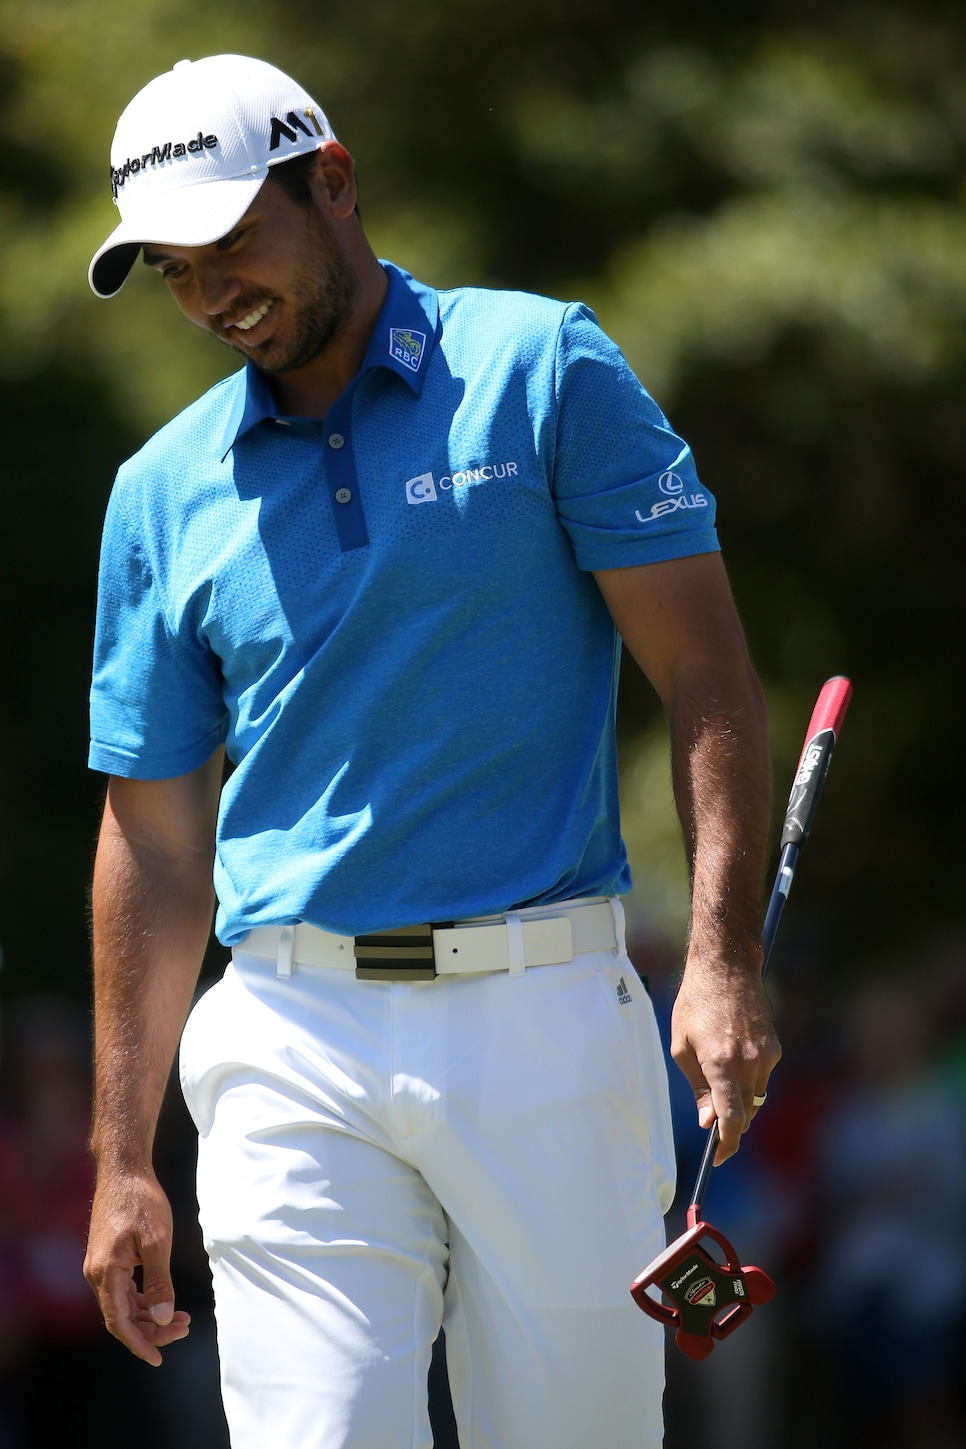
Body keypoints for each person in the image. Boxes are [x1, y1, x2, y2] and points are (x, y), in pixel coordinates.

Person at [83, 54, 779, 1449]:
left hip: (545, 1008)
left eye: (232, 239)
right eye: (173, 268)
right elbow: (156, 841)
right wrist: (119, 1151)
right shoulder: (158, 490)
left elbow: (702, 671)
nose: (212, 291)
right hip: (288, 1031)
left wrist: (718, 956)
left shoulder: (543, 367)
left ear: (332, 182)